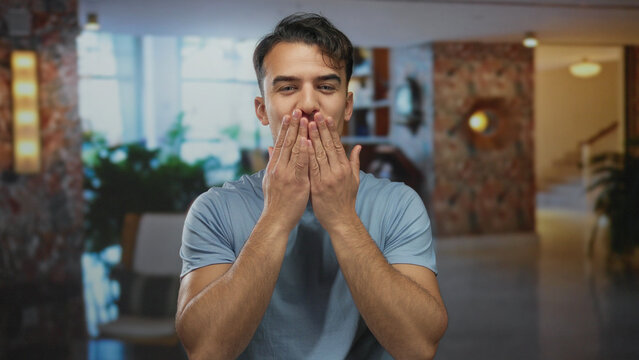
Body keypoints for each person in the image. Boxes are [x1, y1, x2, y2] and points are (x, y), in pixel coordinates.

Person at [175, 13, 447, 360]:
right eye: (287, 87)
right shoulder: (213, 209)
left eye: (326, 86)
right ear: (262, 109)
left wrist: (341, 218)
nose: (307, 104)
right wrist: (276, 216)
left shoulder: (399, 204)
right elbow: (204, 350)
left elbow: (418, 347)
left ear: (347, 106)